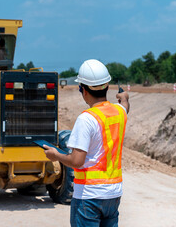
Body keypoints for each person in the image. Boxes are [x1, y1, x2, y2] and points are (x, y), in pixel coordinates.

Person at [43, 59, 130, 227]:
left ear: (82, 89)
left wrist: (56, 155)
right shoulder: (119, 112)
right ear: (107, 86)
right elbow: (125, 105)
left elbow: (76, 161)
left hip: (89, 196)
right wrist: (124, 97)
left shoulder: (87, 119)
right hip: (113, 195)